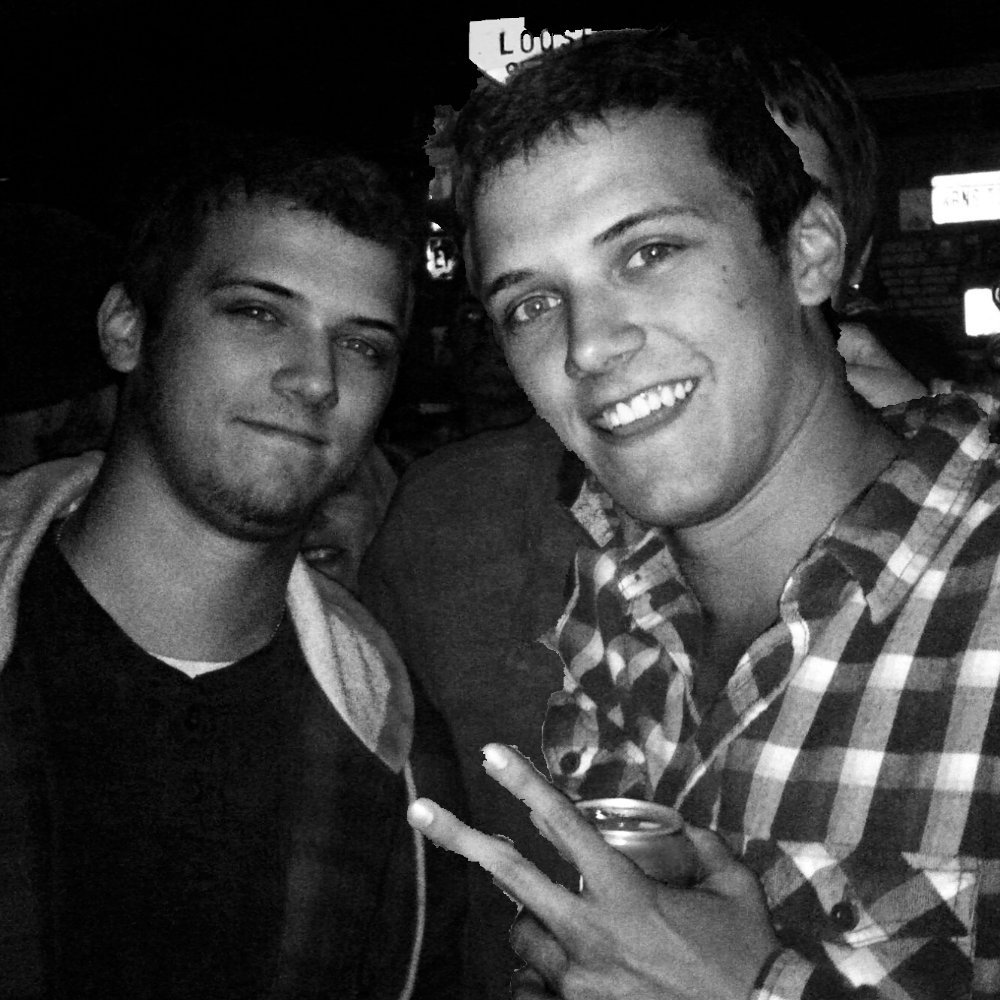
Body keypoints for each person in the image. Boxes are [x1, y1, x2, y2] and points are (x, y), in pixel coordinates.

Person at [400, 25, 1000, 1000]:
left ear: (809, 250)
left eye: (649, 251)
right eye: (531, 304)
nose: (588, 345)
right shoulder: (597, 589)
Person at [0, 137, 464, 998]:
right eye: (258, 312)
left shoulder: (397, 758)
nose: (316, 378)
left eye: (363, 345)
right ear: (127, 327)